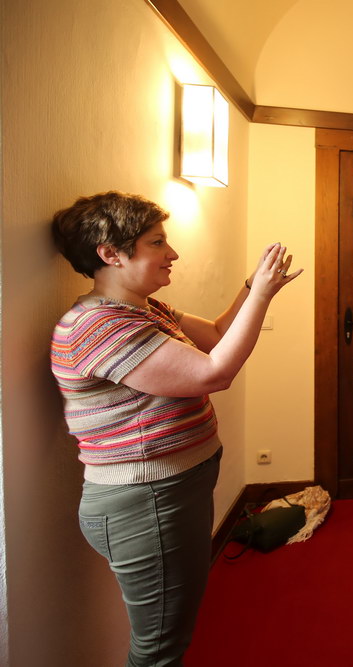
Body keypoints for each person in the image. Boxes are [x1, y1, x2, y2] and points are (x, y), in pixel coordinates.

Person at [49, 191, 302, 665]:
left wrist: (253, 286)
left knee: (169, 633)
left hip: (168, 493)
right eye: (157, 242)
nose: (173, 253)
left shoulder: (146, 310)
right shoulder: (98, 326)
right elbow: (214, 373)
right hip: (146, 502)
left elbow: (218, 335)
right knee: (159, 649)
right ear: (110, 253)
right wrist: (262, 295)